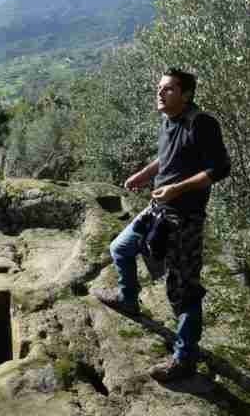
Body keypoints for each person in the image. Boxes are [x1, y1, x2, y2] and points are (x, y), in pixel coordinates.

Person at [94, 68, 230, 382]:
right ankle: (129, 300)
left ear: (186, 94)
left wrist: (177, 189)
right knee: (121, 247)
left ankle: (184, 359)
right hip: (158, 209)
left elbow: (221, 168)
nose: (160, 93)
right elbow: (167, 157)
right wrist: (144, 174)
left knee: (184, 290)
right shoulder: (169, 121)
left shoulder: (201, 123)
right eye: (159, 88)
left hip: (184, 219)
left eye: (168, 89)